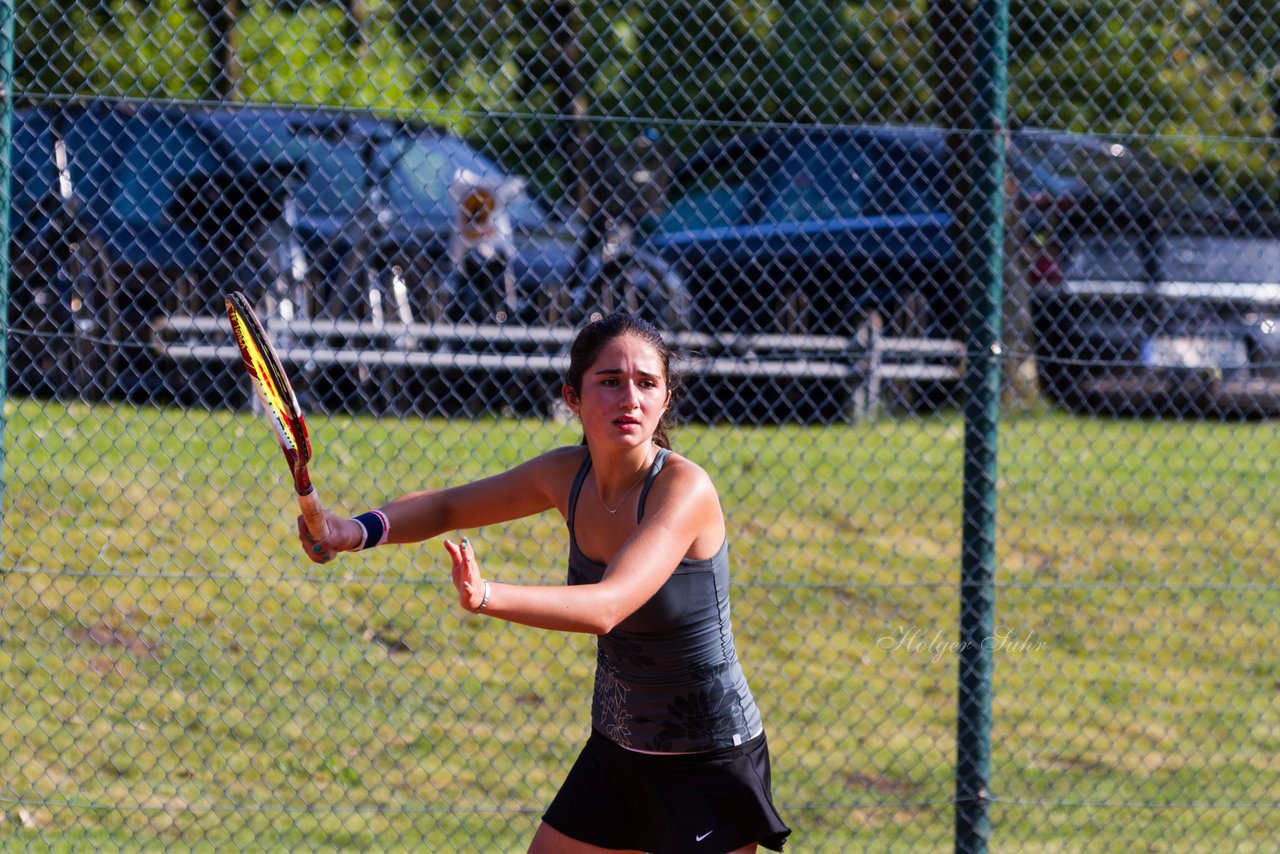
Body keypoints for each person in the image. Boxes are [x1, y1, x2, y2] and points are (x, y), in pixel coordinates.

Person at [298, 311, 791, 853]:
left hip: (708, 756)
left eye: (647, 383)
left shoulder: (684, 488)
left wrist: (487, 596)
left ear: (665, 398)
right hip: (618, 749)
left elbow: (609, 604)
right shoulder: (566, 475)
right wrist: (354, 531)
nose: (630, 398)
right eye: (609, 382)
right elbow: (447, 505)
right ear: (572, 399)